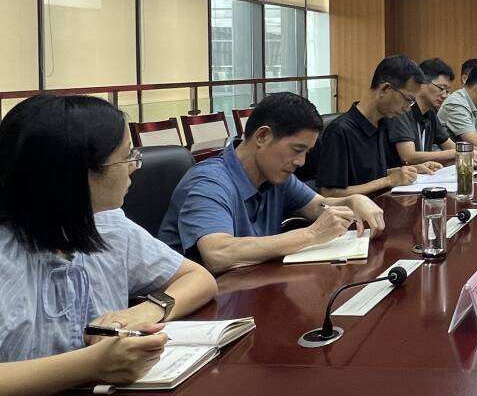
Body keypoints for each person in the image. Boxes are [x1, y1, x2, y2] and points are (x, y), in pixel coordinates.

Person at [0, 94, 217, 396]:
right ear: (75, 174)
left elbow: (199, 278)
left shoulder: (107, 224)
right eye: (126, 157)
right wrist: (90, 365)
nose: (135, 167)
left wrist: (147, 310)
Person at [158, 92, 386, 274]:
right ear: (262, 136)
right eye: (297, 149)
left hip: (248, 288)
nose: (301, 162)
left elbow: (319, 206)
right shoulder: (209, 183)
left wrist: (352, 200)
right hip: (194, 309)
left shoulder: (275, 176)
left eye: (306, 152)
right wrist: (311, 234)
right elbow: (218, 254)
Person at [316, 55, 425, 197]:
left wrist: (409, 171)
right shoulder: (339, 131)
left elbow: (369, 175)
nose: (408, 108)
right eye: (408, 100)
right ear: (385, 89)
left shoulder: (383, 124)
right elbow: (329, 193)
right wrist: (388, 180)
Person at [389, 58, 477, 168]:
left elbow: (451, 146)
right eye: (441, 88)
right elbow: (408, 156)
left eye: (447, 91)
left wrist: (474, 150)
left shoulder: (430, 114)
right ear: (422, 82)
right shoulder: (403, 110)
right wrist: (457, 153)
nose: (444, 95)